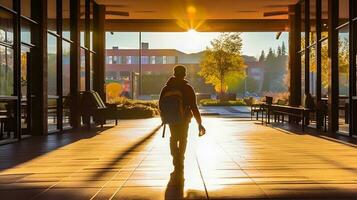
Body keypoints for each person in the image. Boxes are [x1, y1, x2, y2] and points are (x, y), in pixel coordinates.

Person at [159, 65, 206, 171]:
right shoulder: (188, 88)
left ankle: (176, 157)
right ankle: (180, 158)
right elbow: (194, 107)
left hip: (171, 118)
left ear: (174, 73)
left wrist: (164, 117)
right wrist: (199, 123)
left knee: (173, 138)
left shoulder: (167, 88)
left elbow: (161, 104)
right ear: (185, 74)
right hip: (185, 118)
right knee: (183, 138)